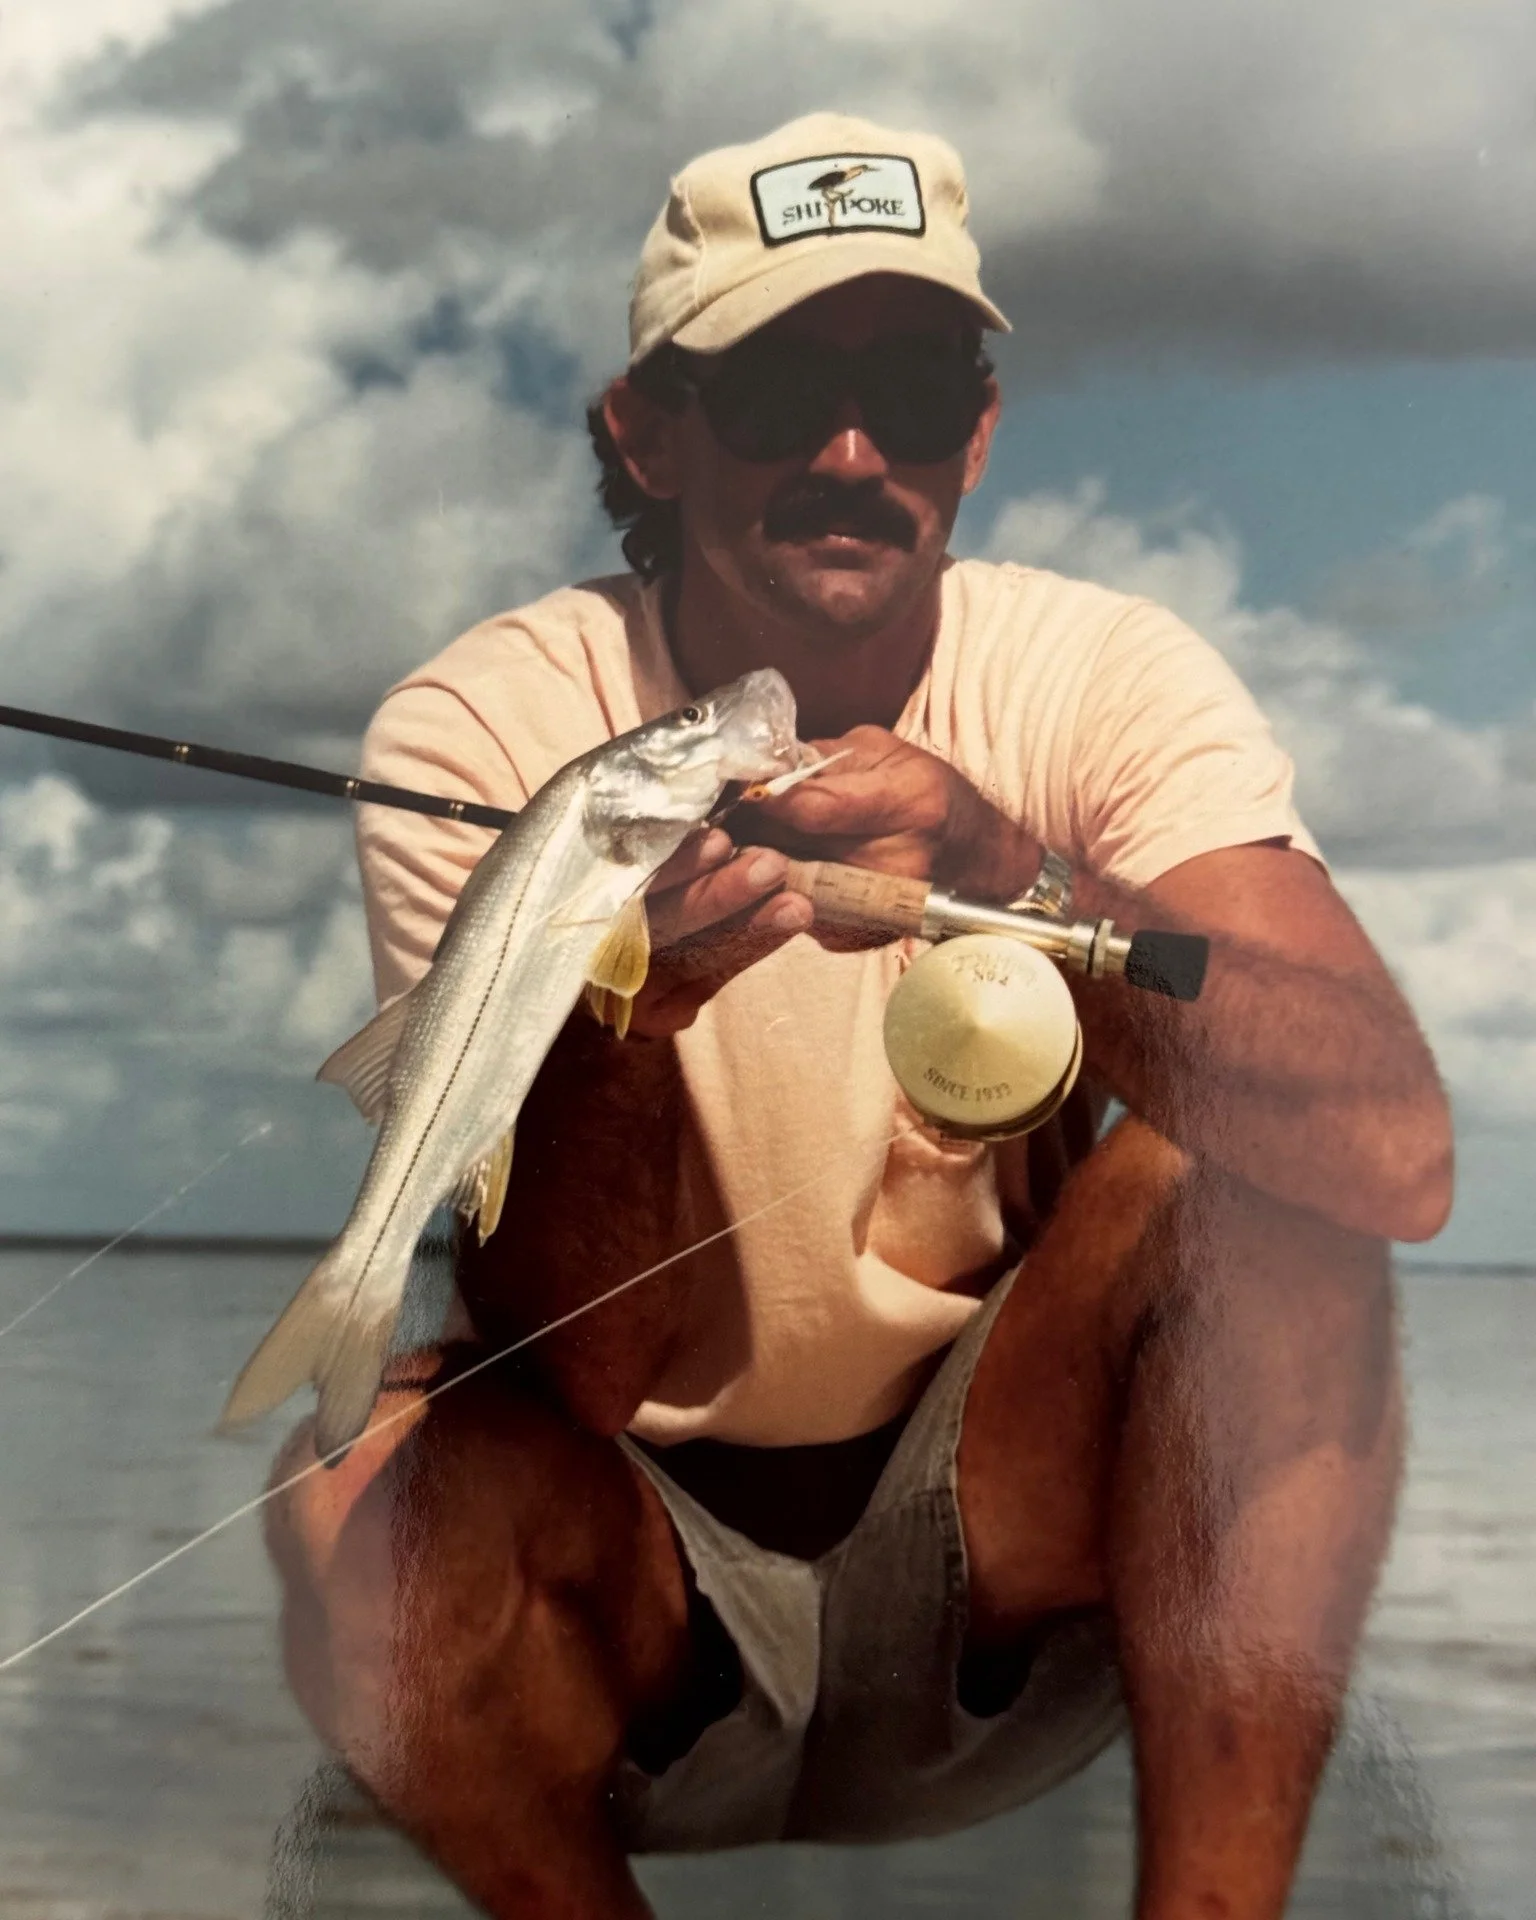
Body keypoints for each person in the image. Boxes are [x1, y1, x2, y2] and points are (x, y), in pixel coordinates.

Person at [265, 112, 1453, 1919]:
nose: (848, 453)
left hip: (1023, 1541)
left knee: (1267, 1193)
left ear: (975, 431)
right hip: (640, 1580)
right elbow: (578, 1371)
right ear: (645, 432)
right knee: (346, 1486)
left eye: (906, 391)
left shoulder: (1103, 676)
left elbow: (1398, 1156)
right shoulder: (486, 730)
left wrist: (1012, 869)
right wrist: (628, 1022)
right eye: (771, 394)